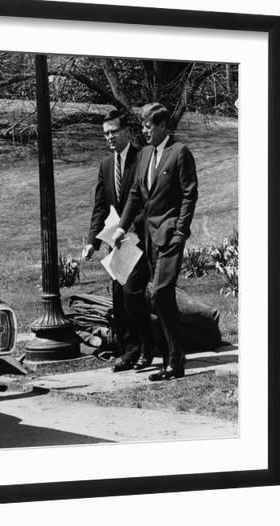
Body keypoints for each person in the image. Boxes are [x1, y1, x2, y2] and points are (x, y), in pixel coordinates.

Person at [111, 103, 198, 381]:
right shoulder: (146, 154)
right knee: (138, 293)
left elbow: (189, 194)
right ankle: (158, 350)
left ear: (163, 126)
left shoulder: (179, 152)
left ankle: (175, 359)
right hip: (146, 237)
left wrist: (180, 230)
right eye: (144, 126)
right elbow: (136, 194)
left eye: (149, 126)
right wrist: (121, 227)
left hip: (170, 235)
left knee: (160, 293)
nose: (145, 131)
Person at [83, 110, 153, 372]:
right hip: (117, 244)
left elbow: (148, 199)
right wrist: (92, 242)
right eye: (106, 134)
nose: (109, 137)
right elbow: (100, 206)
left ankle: (142, 350)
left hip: (139, 239)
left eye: (113, 132)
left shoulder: (143, 157)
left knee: (133, 293)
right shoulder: (105, 165)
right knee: (120, 299)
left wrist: (132, 228)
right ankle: (130, 351)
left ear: (126, 132)